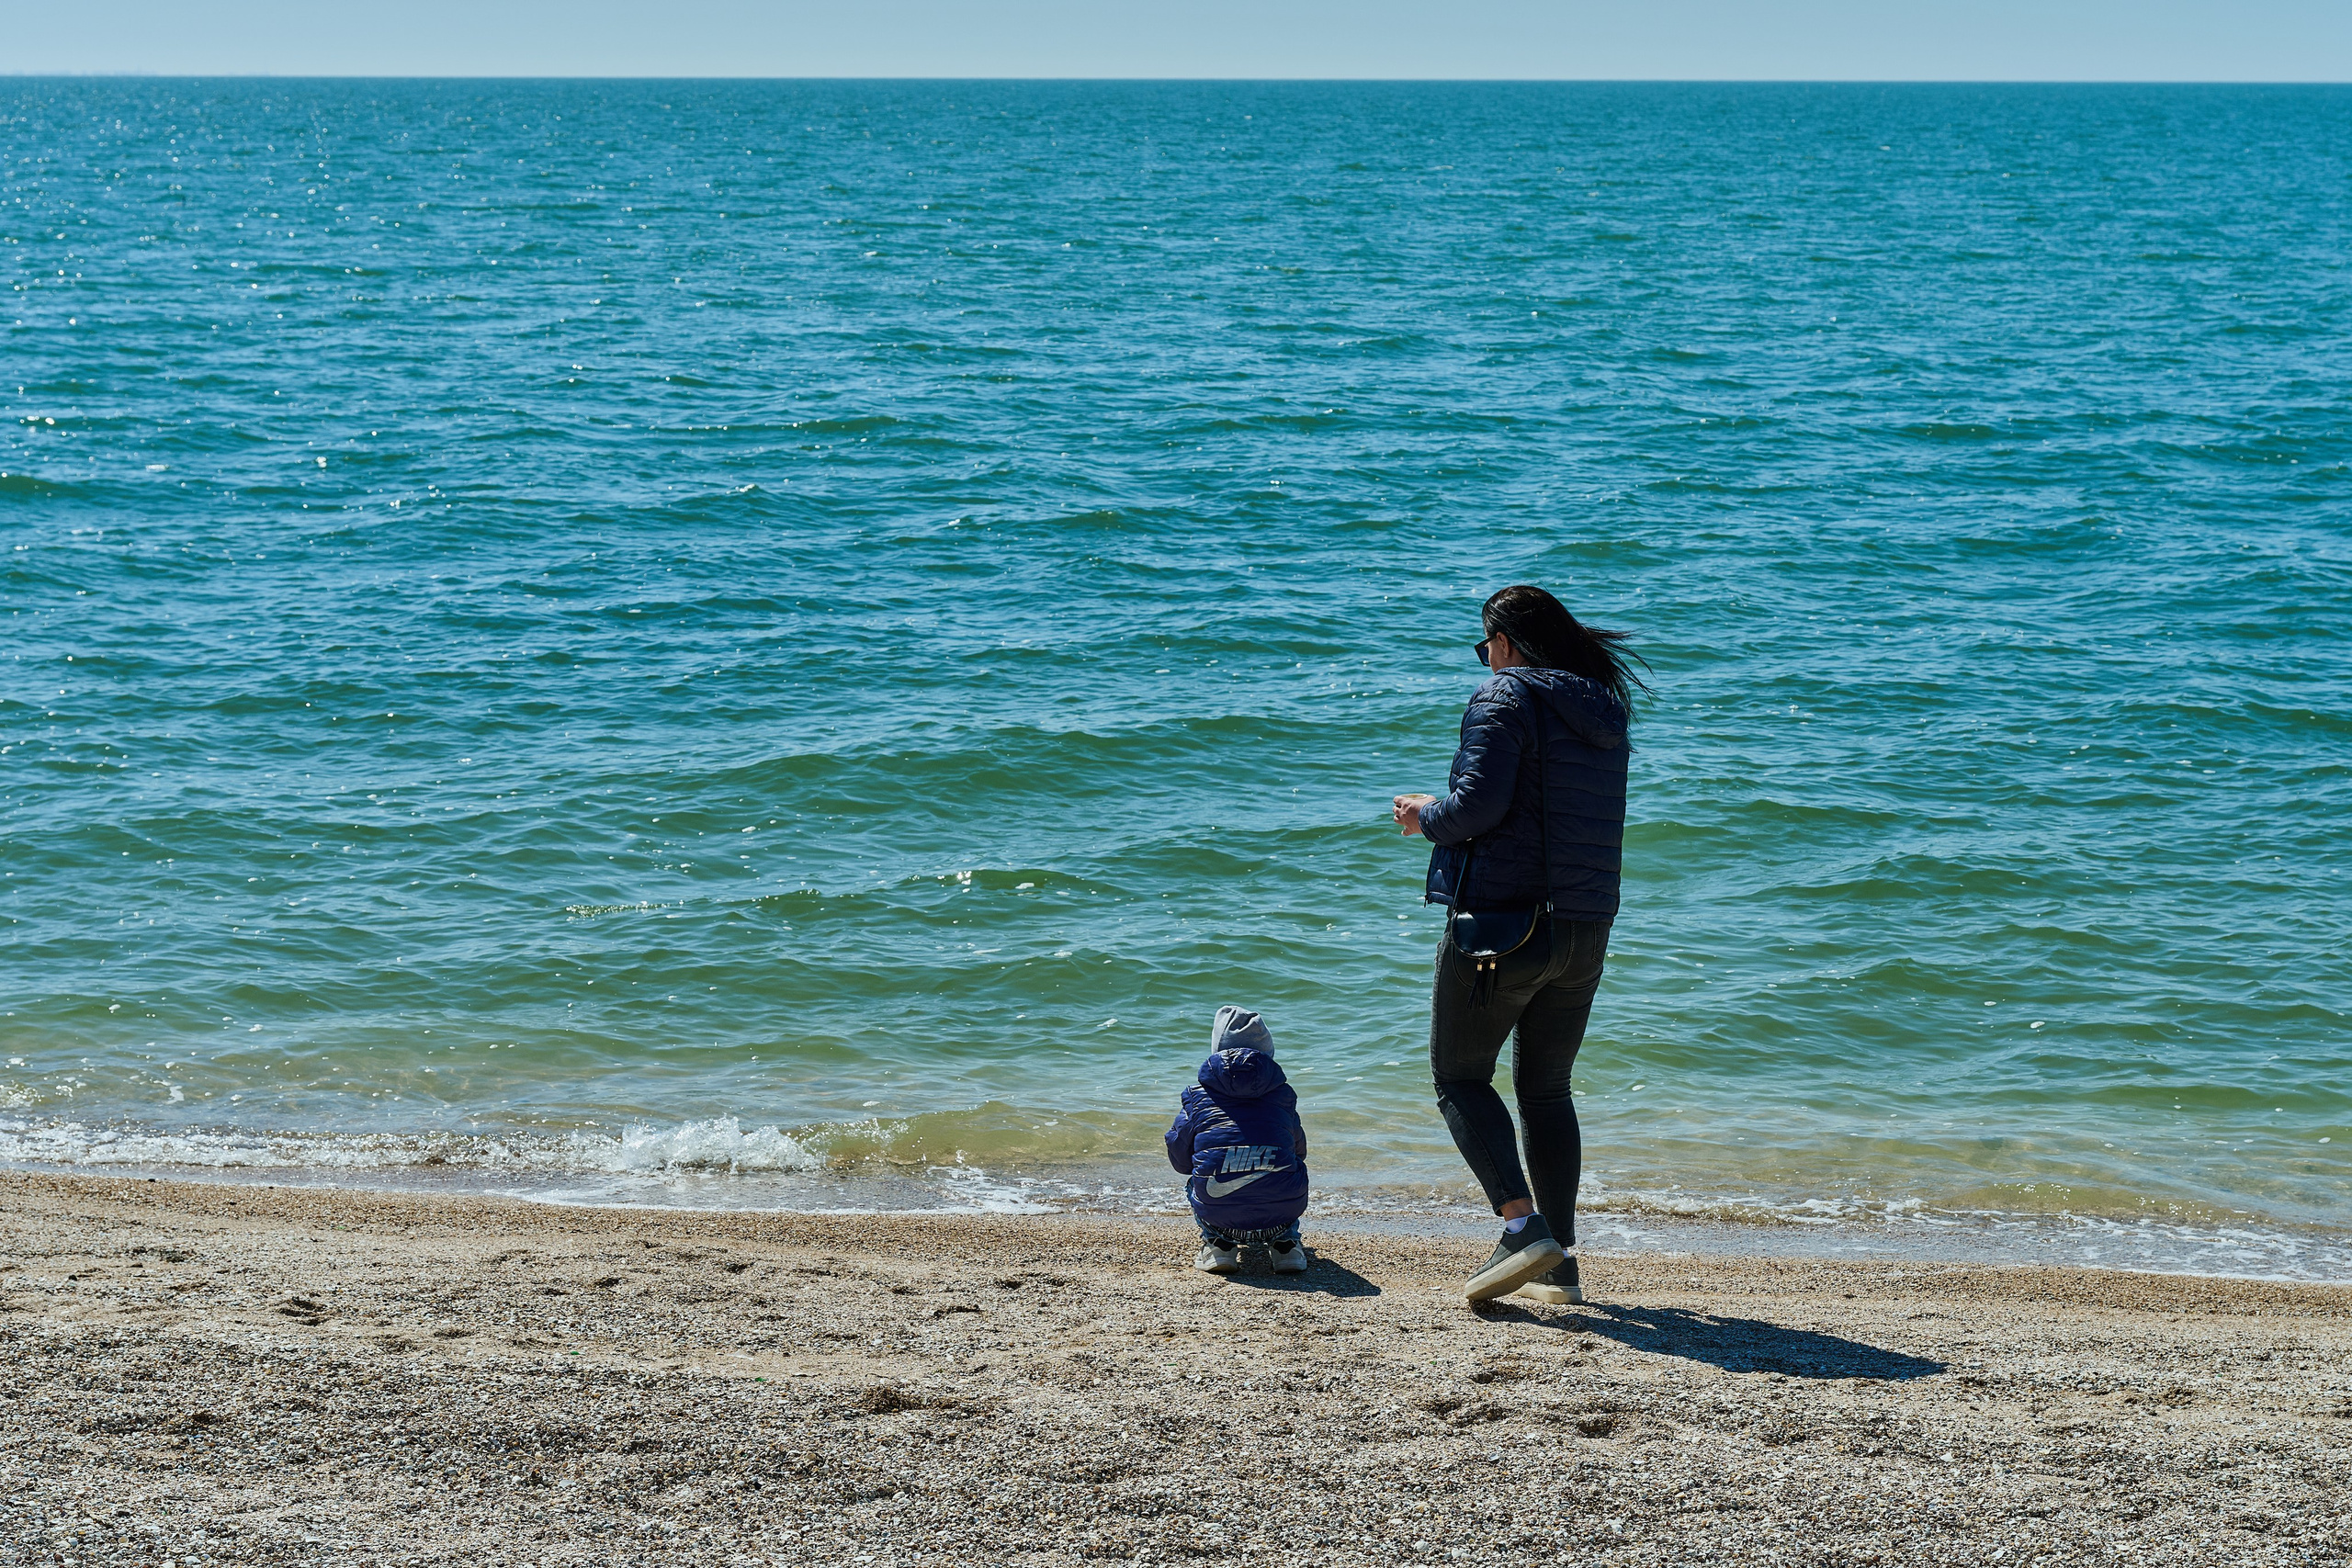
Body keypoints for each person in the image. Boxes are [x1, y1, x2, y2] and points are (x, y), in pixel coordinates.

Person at [1393, 584, 1644, 1304]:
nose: (1487, 660)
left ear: (1506, 643)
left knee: (1458, 1074)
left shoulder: (1503, 698)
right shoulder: (1604, 707)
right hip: (1586, 924)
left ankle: (1519, 1225)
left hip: (1506, 923)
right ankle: (1558, 1265)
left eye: (1486, 646)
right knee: (1546, 1088)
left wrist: (1422, 815)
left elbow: (1477, 807)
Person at [1165, 1006, 1311, 1276]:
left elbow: (1180, 1157)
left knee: (1196, 1178)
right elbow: (1299, 1150)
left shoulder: (1197, 1098)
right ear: (1268, 1054)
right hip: (1280, 1217)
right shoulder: (1283, 1096)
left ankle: (1219, 1246)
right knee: (1289, 1170)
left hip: (1222, 1219)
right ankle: (1286, 1246)